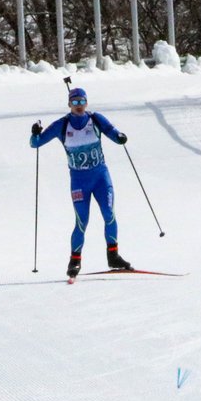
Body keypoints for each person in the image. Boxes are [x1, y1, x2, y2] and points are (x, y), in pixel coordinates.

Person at [30, 87, 131, 279]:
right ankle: (75, 261)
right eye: (74, 102)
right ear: (69, 104)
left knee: (109, 214)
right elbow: (36, 143)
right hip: (79, 181)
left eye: (82, 101)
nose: (79, 106)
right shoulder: (62, 125)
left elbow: (111, 131)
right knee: (81, 221)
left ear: (86, 102)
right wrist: (35, 133)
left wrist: (119, 137)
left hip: (101, 177)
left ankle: (113, 256)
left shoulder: (95, 119)